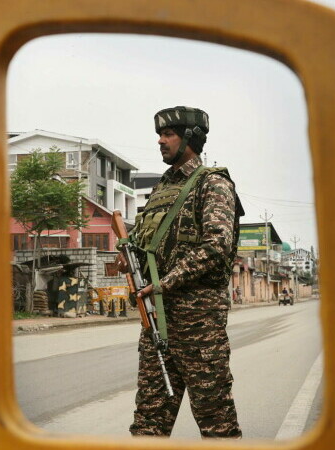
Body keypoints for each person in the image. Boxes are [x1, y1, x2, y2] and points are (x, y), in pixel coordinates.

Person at [128, 106, 244, 438]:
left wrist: (165, 283)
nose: (161, 142)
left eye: (168, 135)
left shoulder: (213, 183)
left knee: (215, 419)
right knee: (148, 420)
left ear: (190, 138)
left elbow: (216, 245)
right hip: (157, 322)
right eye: (160, 136)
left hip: (200, 326)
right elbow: (145, 242)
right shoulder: (162, 188)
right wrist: (130, 256)